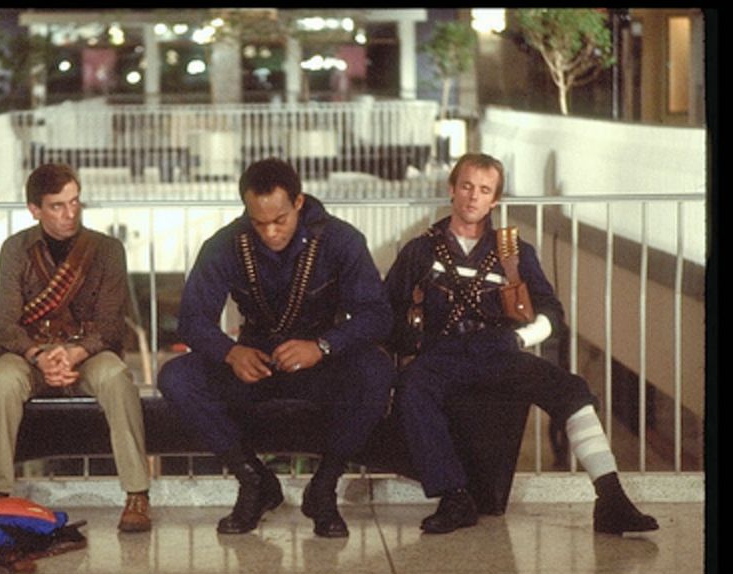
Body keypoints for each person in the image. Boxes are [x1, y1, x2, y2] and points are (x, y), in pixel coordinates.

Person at [383, 152, 659, 536]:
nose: (472, 197)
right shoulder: (420, 251)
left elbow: (551, 313)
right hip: (441, 354)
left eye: (484, 190)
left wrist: (519, 337)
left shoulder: (513, 253)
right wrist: (407, 343)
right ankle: (454, 496)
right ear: (451, 189)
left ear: (495, 200)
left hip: (499, 350)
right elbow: (386, 309)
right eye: (465, 186)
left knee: (572, 390)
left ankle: (610, 498)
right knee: (412, 387)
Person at [157, 158, 395, 538]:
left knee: (376, 370)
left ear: (298, 202)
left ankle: (324, 487)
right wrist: (230, 353)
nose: (269, 232)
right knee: (176, 377)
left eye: (279, 220)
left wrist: (323, 346)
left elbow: (377, 316)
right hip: (255, 366)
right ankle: (254, 480)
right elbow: (193, 321)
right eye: (259, 222)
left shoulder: (340, 239)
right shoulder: (225, 244)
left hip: (321, 365)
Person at [0, 163, 152, 532]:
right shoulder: (16, 250)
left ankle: (137, 493)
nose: (70, 213)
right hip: (29, 354)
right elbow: (3, 324)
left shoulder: (106, 249)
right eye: (57, 205)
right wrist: (39, 356)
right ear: (34, 210)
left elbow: (110, 324)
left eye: (74, 202)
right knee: (0, 384)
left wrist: (74, 353)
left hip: (85, 353)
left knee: (118, 377)